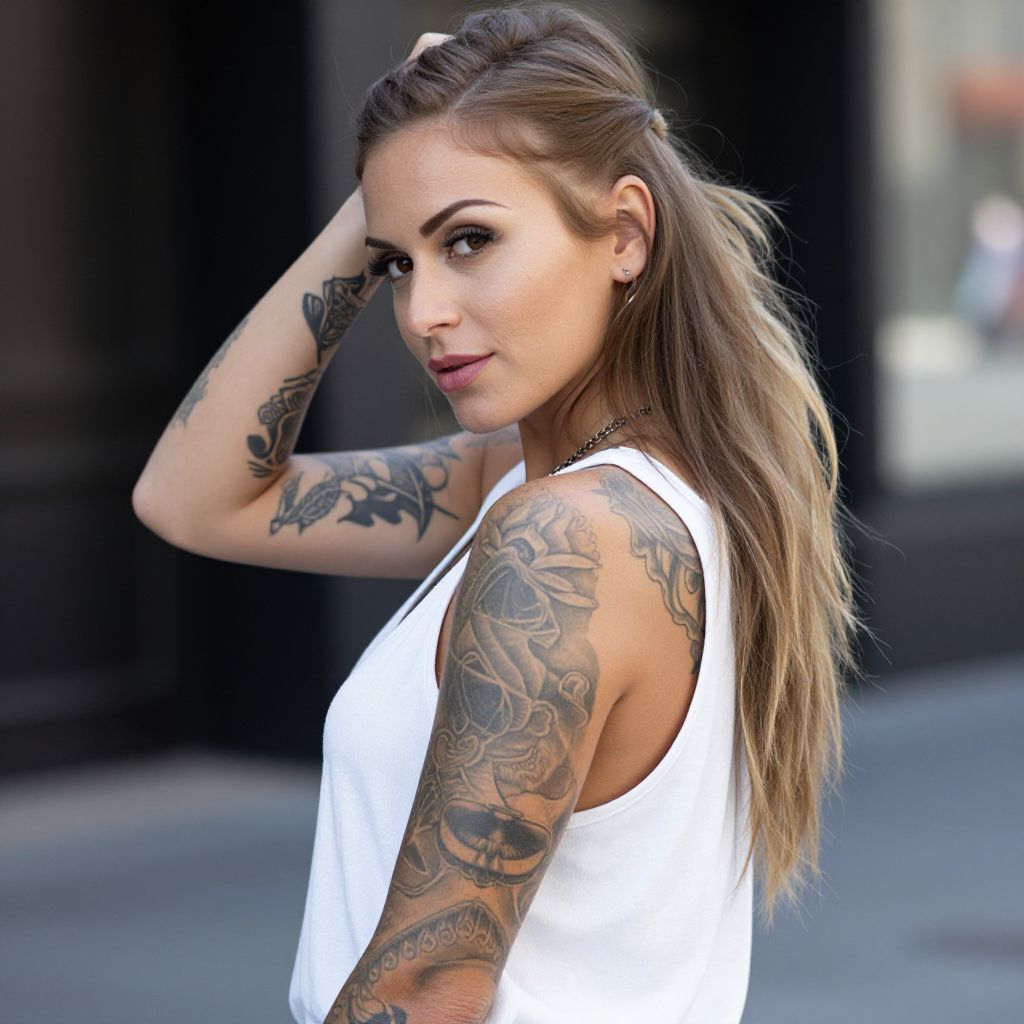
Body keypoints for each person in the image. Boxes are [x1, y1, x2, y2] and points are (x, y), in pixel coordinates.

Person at [133, 4, 869, 1022]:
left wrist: (399, 193)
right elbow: (192, 498)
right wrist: (383, 200)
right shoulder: (545, 485)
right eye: (400, 263)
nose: (421, 311)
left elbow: (431, 982)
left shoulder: (571, 535)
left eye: (470, 239)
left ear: (623, 234)